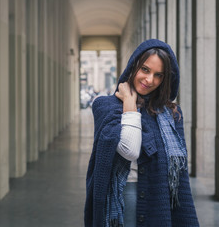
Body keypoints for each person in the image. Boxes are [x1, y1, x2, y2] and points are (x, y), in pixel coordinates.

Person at [84, 39, 199, 227]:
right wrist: (130, 104)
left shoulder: (171, 114)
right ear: (133, 66)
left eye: (158, 75)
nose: (149, 80)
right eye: (145, 69)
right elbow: (130, 150)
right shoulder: (105, 105)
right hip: (123, 198)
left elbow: (181, 178)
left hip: (159, 199)